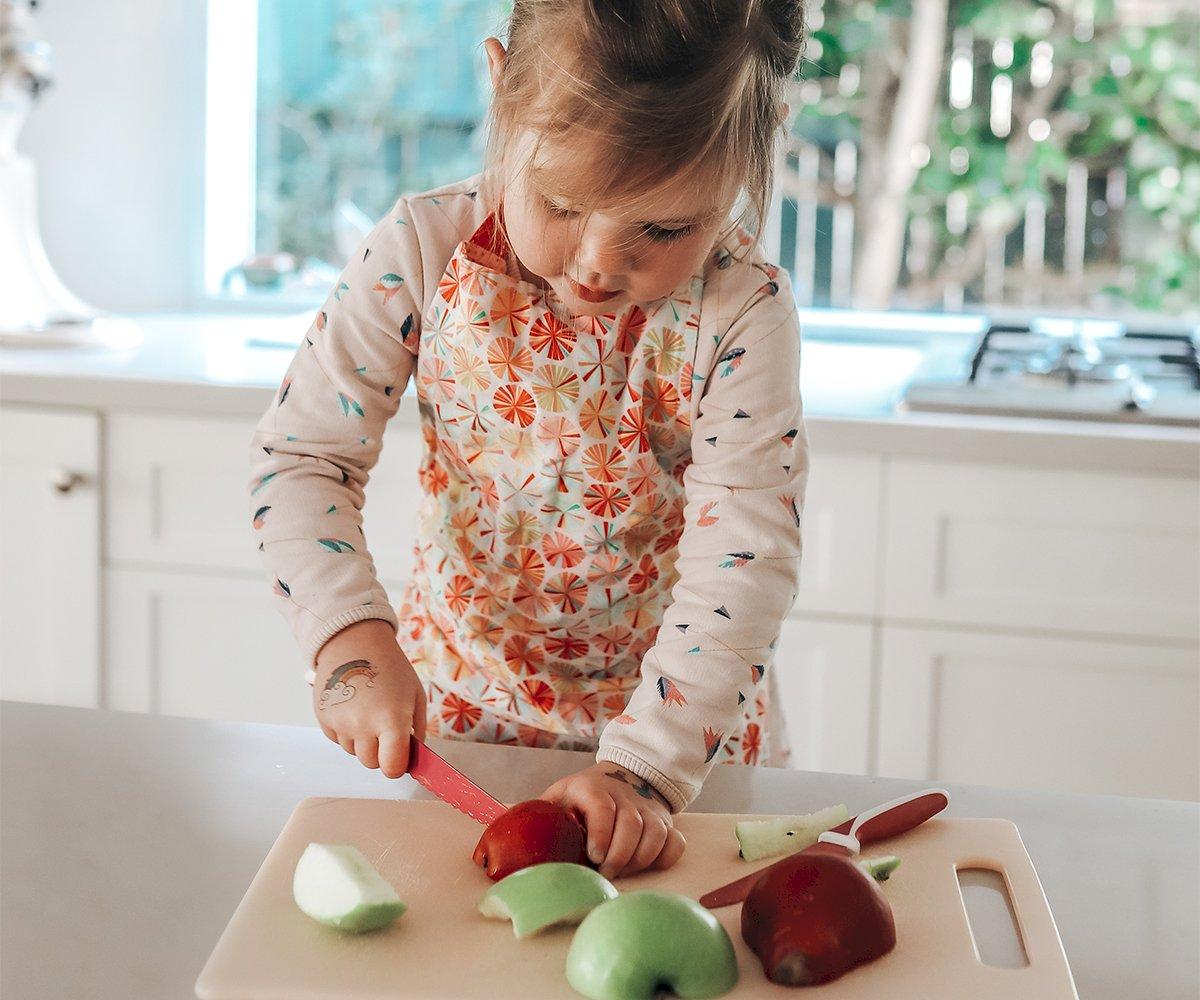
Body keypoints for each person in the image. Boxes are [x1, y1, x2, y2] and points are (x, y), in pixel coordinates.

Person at [248, 0, 807, 881]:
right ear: (503, 82)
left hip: (676, 752)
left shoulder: (743, 312)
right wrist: (347, 641)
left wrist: (645, 769)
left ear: (761, 139)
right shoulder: (419, 250)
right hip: (461, 722)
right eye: (561, 202)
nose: (597, 261)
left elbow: (747, 550)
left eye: (664, 228)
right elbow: (303, 458)